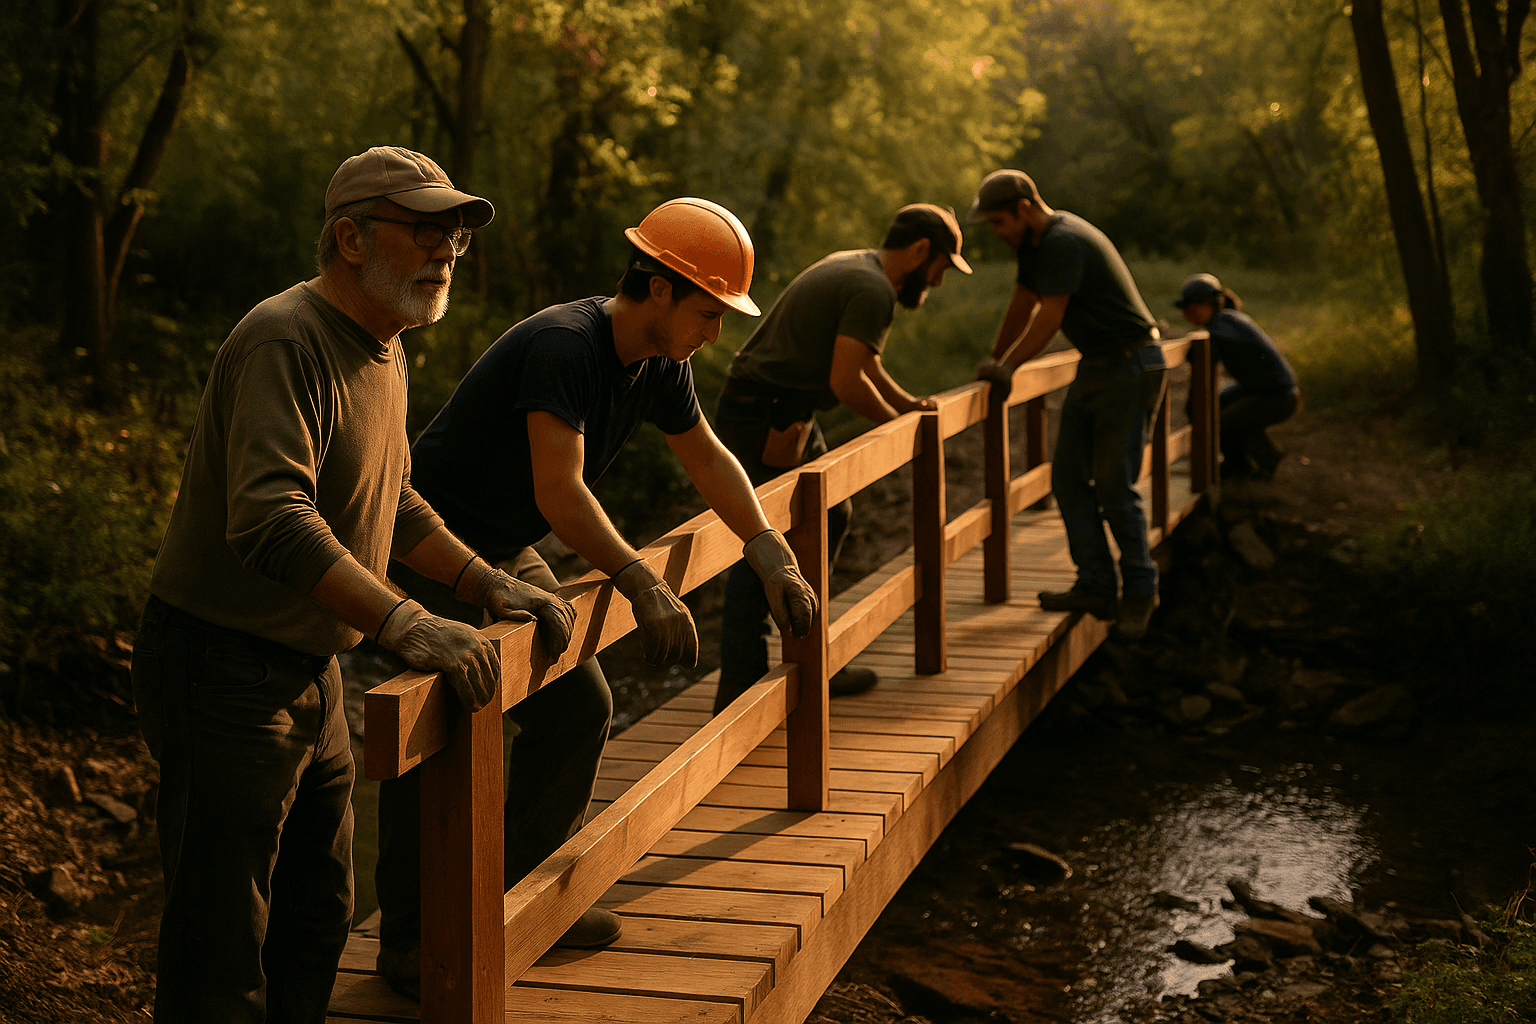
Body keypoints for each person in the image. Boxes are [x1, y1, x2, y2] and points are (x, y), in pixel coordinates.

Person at [130, 146, 574, 1024]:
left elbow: (393, 499)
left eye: (455, 235)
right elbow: (270, 519)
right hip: (222, 667)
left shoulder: (385, 346)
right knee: (220, 945)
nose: (448, 249)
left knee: (317, 915)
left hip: (312, 667)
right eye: (425, 230)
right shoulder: (285, 338)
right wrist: (408, 624)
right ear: (351, 238)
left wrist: (485, 582)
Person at [372, 196, 818, 998]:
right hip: (430, 547)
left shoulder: (660, 362)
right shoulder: (565, 346)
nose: (715, 333)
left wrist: (769, 549)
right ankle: (410, 940)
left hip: (507, 545)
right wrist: (640, 578)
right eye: (709, 312)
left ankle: (526, 894)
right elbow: (561, 493)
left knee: (579, 705)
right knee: (432, 735)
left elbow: (710, 459)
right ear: (657, 288)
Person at [713, 204, 973, 714]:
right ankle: (741, 691)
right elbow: (845, 382)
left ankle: (812, 654)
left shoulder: (857, 267)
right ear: (922, 250)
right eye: (943, 265)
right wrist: (898, 426)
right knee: (759, 544)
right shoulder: (872, 288)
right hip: (761, 412)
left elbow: (864, 364)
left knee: (831, 514)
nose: (940, 280)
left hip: (786, 410)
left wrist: (908, 406)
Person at [969, 169, 1167, 641]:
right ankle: (1097, 584)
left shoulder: (1064, 239)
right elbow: (1022, 303)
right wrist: (995, 360)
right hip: (1098, 364)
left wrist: (1010, 367)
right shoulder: (1033, 247)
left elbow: (1049, 316)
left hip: (1130, 362)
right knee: (1068, 478)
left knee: (1115, 484)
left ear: (1024, 208)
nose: (996, 234)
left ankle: (1141, 589)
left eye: (999, 222)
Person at [1174, 273, 1300, 479]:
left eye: (1192, 306)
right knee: (1218, 407)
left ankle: (1252, 462)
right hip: (1262, 390)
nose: (1187, 313)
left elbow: (1207, 342)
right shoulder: (1228, 319)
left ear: (1210, 304)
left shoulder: (1224, 321)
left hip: (1277, 396)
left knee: (1222, 423)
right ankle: (1241, 462)